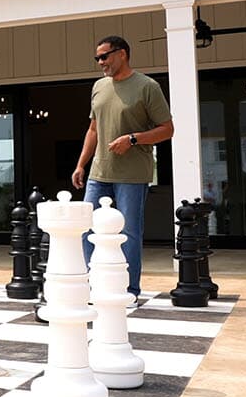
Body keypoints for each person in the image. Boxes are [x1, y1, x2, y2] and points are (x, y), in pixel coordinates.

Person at [71, 35, 174, 295]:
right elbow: (93, 129)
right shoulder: (98, 87)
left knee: (128, 232)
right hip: (99, 172)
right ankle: (93, 284)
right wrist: (81, 164)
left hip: (132, 174)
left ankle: (129, 289)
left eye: (104, 56)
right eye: (97, 58)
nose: (100, 62)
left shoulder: (147, 86)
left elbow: (167, 129)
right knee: (86, 228)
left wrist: (132, 139)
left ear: (122, 54)